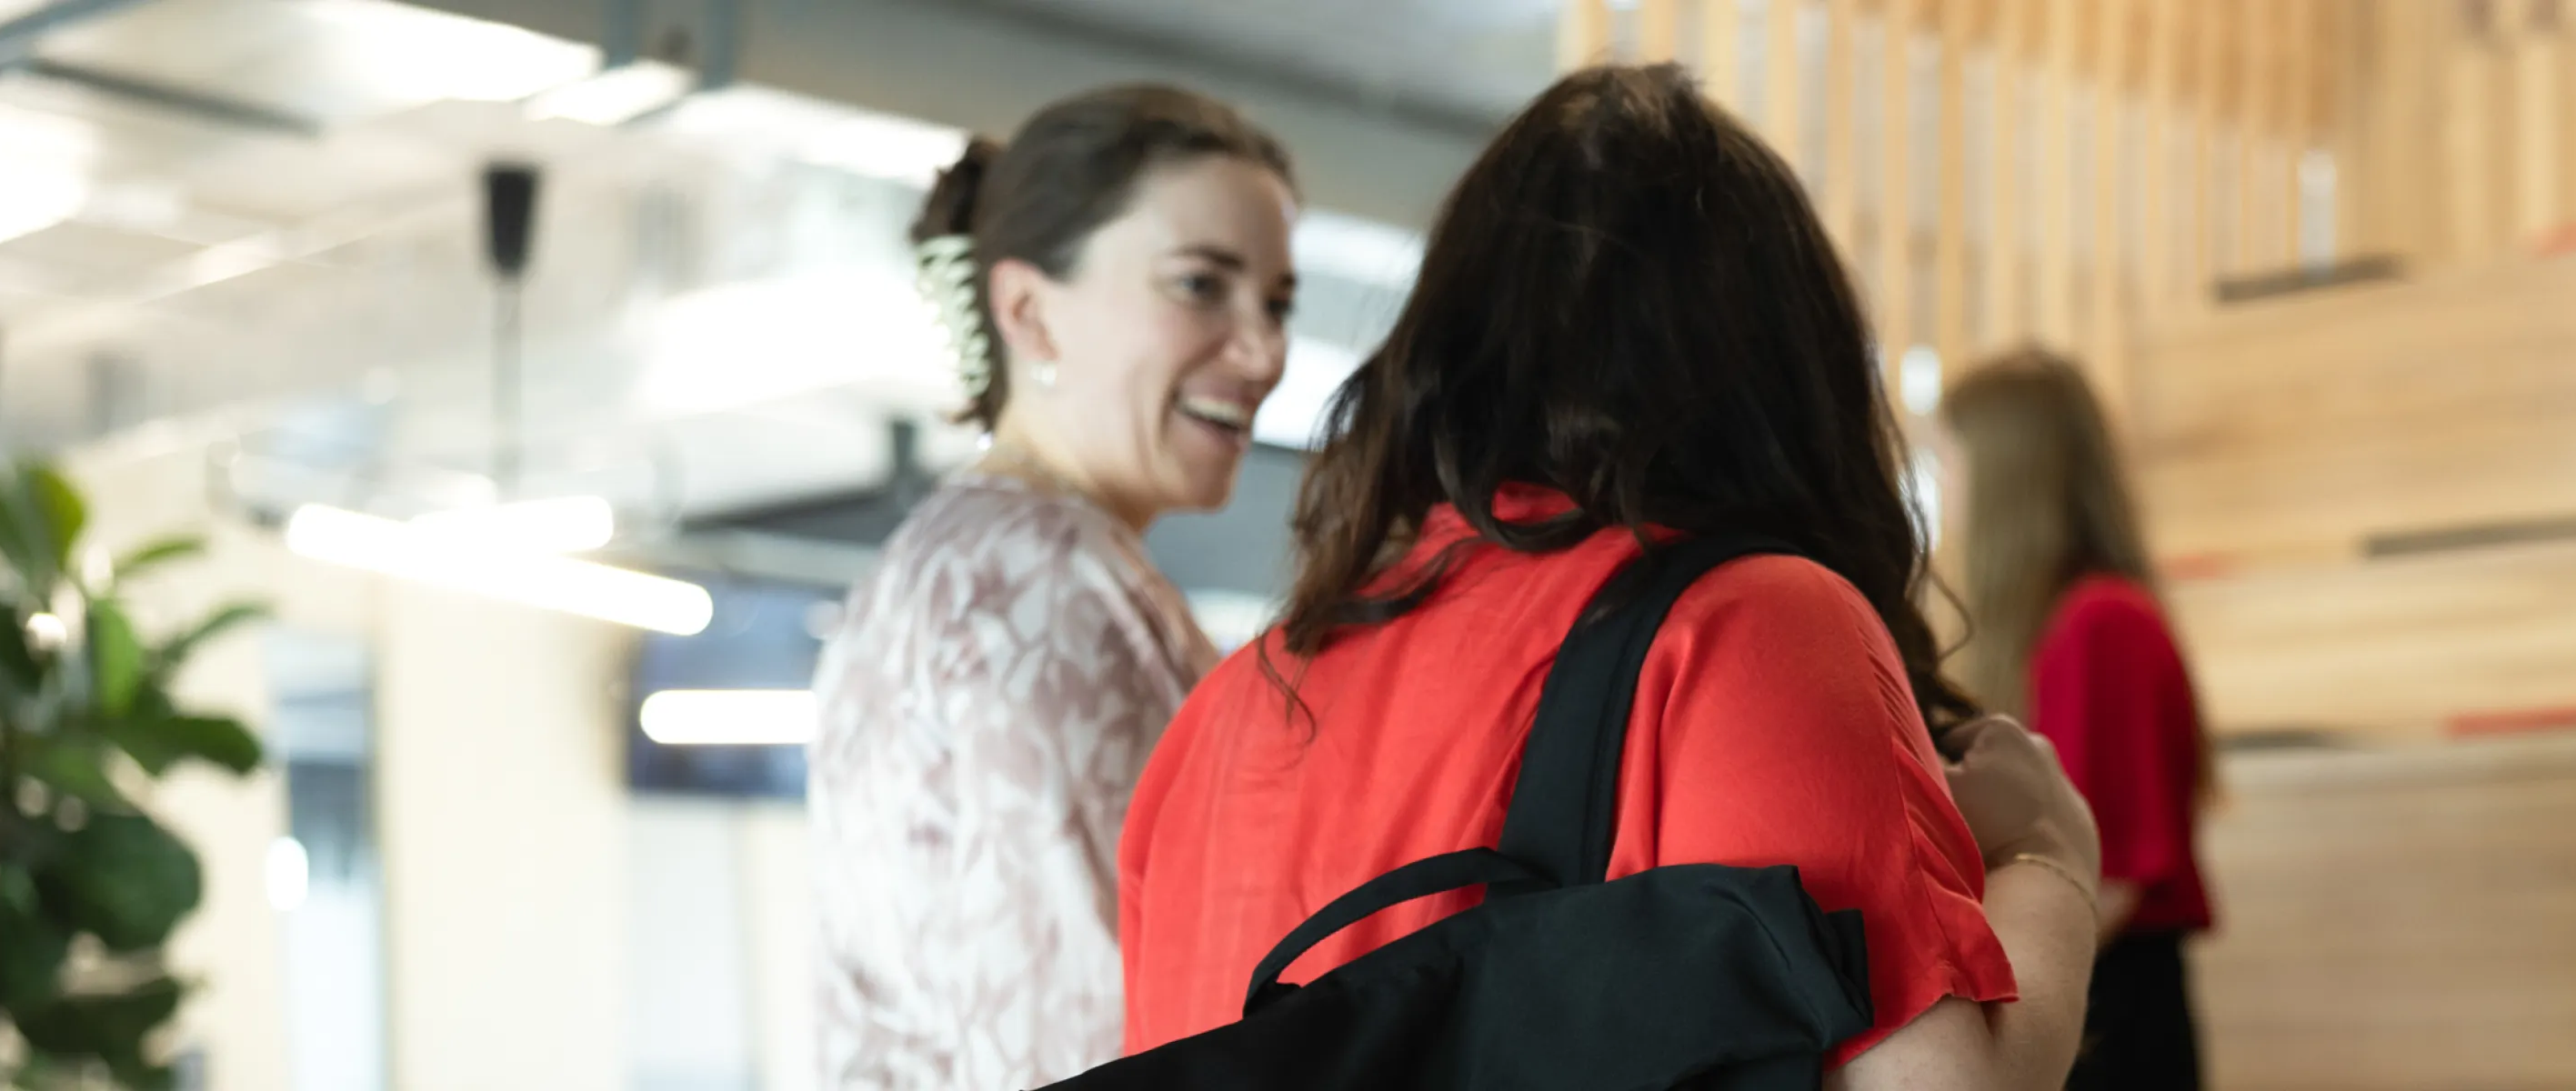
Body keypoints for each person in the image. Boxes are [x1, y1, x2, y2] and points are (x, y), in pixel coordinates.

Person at [1115, 64, 2106, 1089]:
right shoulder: (1751, 627)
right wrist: (2049, 858)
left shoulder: (1216, 719)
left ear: (1440, 354)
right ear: (1791, 372)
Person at [807, 85, 1298, 1090]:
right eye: (1200, 286)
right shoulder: (1042, 587)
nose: (1265, 352)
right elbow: (1097, 1037)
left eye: (1277, 303)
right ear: (1029, 312)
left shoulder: (948, 566)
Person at [1935, 350, 2220, 1091]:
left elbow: (2110, 879)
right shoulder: (2068, 623)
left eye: (1950, 456)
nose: (1942, 480)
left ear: (2007, 470)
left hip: (2108, 1007)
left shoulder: (2101, 623)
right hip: (2085, 985)